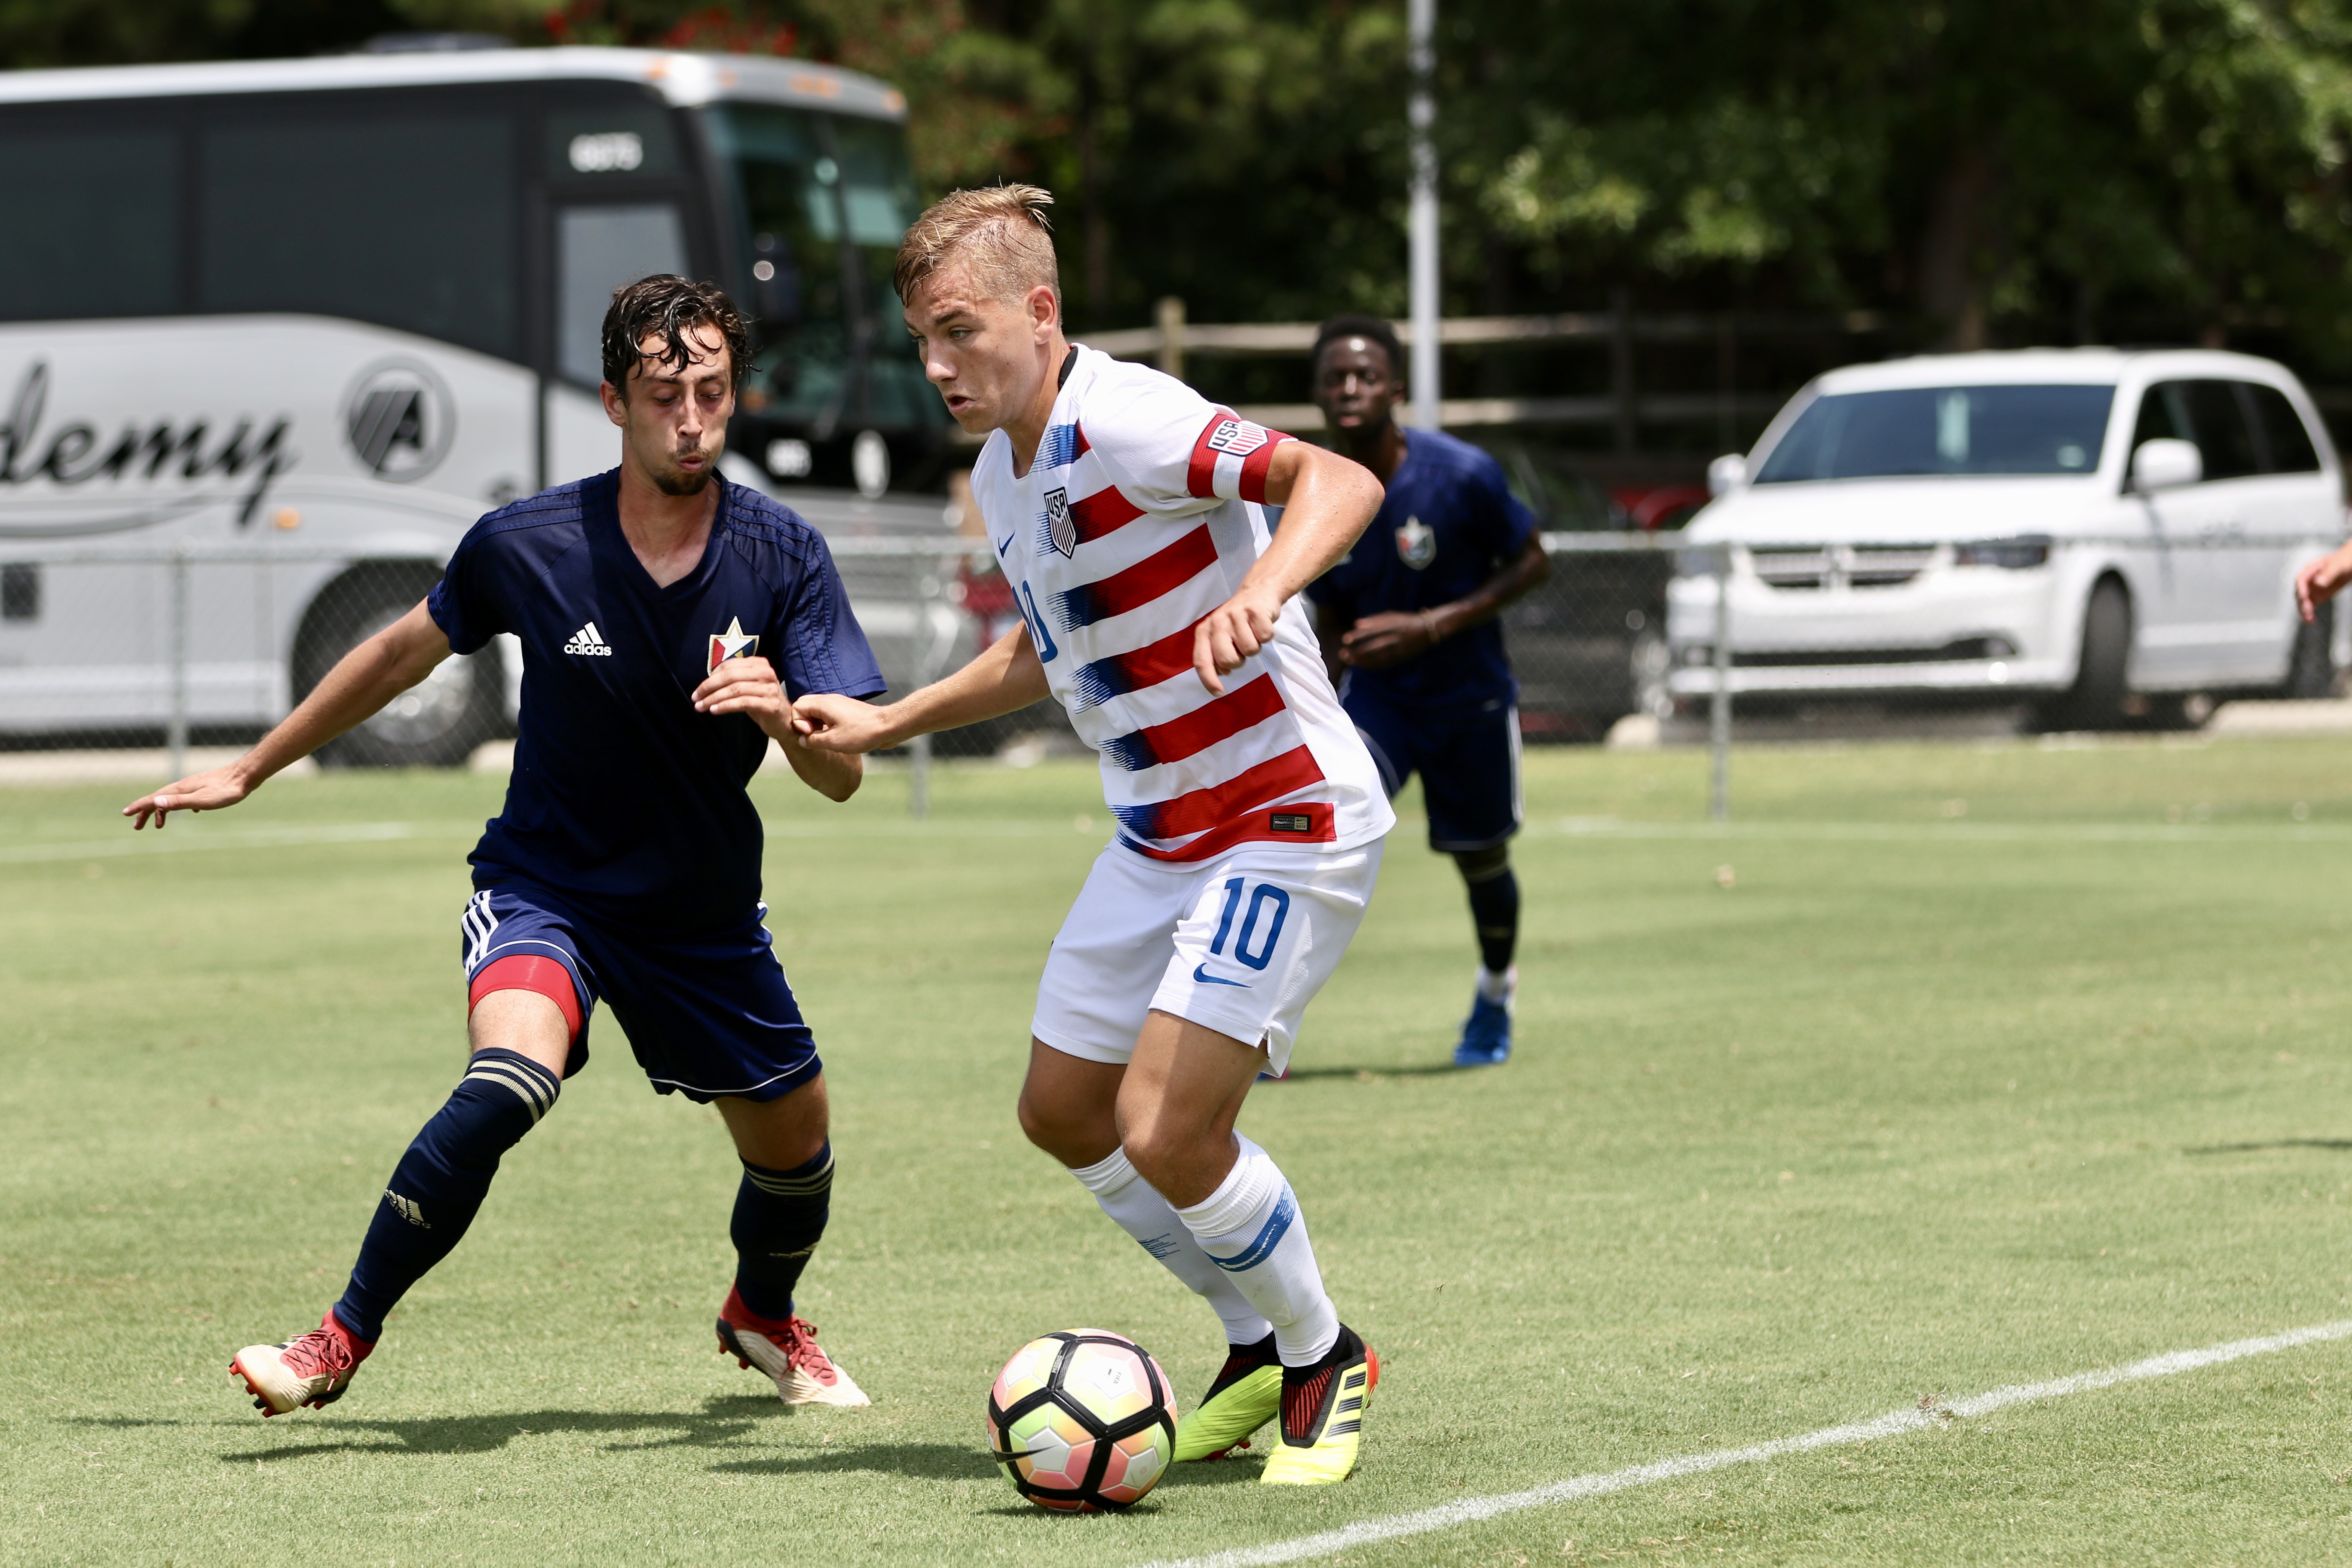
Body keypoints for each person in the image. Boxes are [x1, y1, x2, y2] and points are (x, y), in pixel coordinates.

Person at [122, 276, 886, 1418]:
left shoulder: (784, 555)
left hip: (703, 915)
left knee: (798, 1148)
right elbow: (398, 656)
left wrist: (784, 720)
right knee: (511, 1078)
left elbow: (844, 773)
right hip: (549, 890)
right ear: (614, 402)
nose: (691, 421)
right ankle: (335, 1339)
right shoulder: (528, 544)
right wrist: (253, 766)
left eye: (713, 394)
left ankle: (761, 1316)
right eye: (664, 396)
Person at [792, 186, 1394, 1485]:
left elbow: (1338, 479)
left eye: (959, 331)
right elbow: (1043, 648)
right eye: (923, 341)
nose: (938, 366)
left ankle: (1324, 1353)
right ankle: (1254, 1339)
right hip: (1158, 832)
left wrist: (1264, 586)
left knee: (1165, 1124)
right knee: (1065, 1112)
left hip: (1282, 814)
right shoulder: (1001, 474)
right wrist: (890, 720)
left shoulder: (1125, 416)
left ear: (1040, 310)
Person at [1301, 315, 1550, 1067]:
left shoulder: (1461, 475)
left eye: (1367, 376)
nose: (1351, 389)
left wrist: (1433, 626)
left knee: (1482, 862)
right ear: (1317, 392)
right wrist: (1313, 705)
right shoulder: (1311, 489)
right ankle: (1261, 1028)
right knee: (1319, 842)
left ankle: (1495, 994)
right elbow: (1332, 616)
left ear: (1396, 390)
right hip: (1380, 705)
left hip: (1470, 700)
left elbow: (1533, 561)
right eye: (1336, 378)